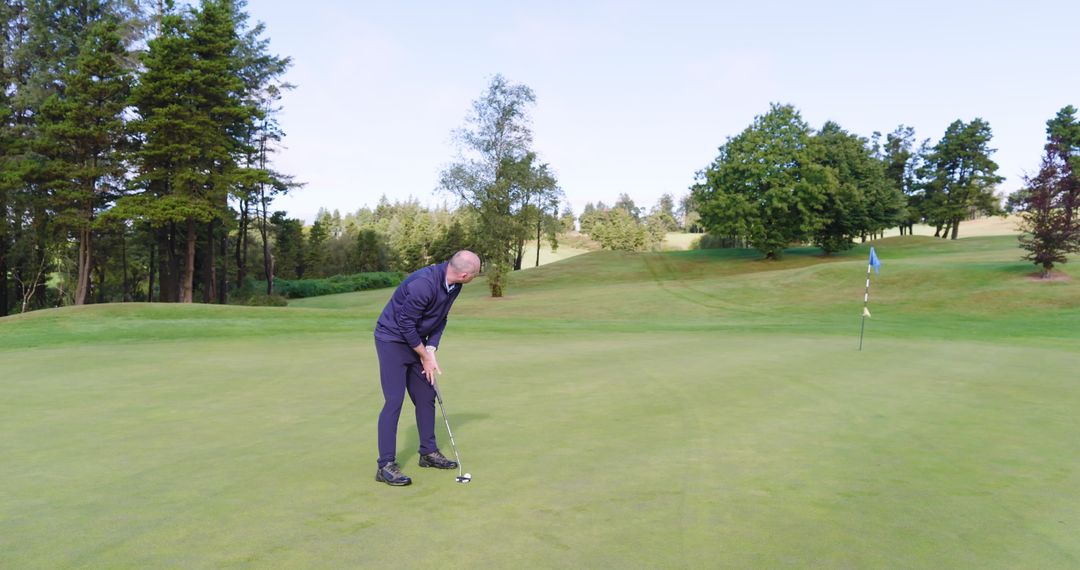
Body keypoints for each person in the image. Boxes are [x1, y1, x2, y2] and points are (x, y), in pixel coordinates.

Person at [373, 250, 481, 486]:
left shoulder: (454, 286)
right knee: (394, 400)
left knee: (425, 396)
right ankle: (385, 465)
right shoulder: (423, 284)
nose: (475, 277)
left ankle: (428, 453)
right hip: (392, 339)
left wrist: (431, 349)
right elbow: (405, 325)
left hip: (417, 341)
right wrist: (424, 355)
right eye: (475, 274)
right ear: (464, 274)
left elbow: (441, 318)